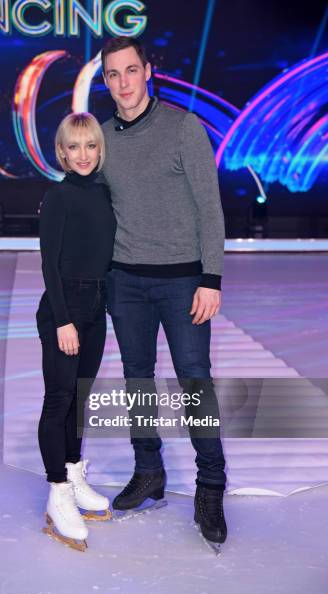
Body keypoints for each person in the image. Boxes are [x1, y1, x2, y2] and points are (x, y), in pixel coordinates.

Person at [100, 36, 227, 546]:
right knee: (137, 379)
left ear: (148, 71)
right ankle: (149, 472)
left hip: (182, 283)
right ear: (105, 81)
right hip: (125, 282)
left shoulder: (181, 127)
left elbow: (210, 208)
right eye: (113, 74)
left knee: (195, 381)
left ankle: (211, 485)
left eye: (131, 70)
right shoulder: (103, 137)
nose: (124, 82)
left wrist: (210, 278)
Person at [36, 112, 116, 551]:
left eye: (89, 146)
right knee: (59, 398)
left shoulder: (104, 194)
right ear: (62, 152)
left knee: (80, 398)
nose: (82, 155)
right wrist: (64, 320)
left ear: (98, 150)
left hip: (96, 308)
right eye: (73, 147)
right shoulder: (59, 196)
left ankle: (73, 471)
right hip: (63, 309)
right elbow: (49, 263)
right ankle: (57, 493)